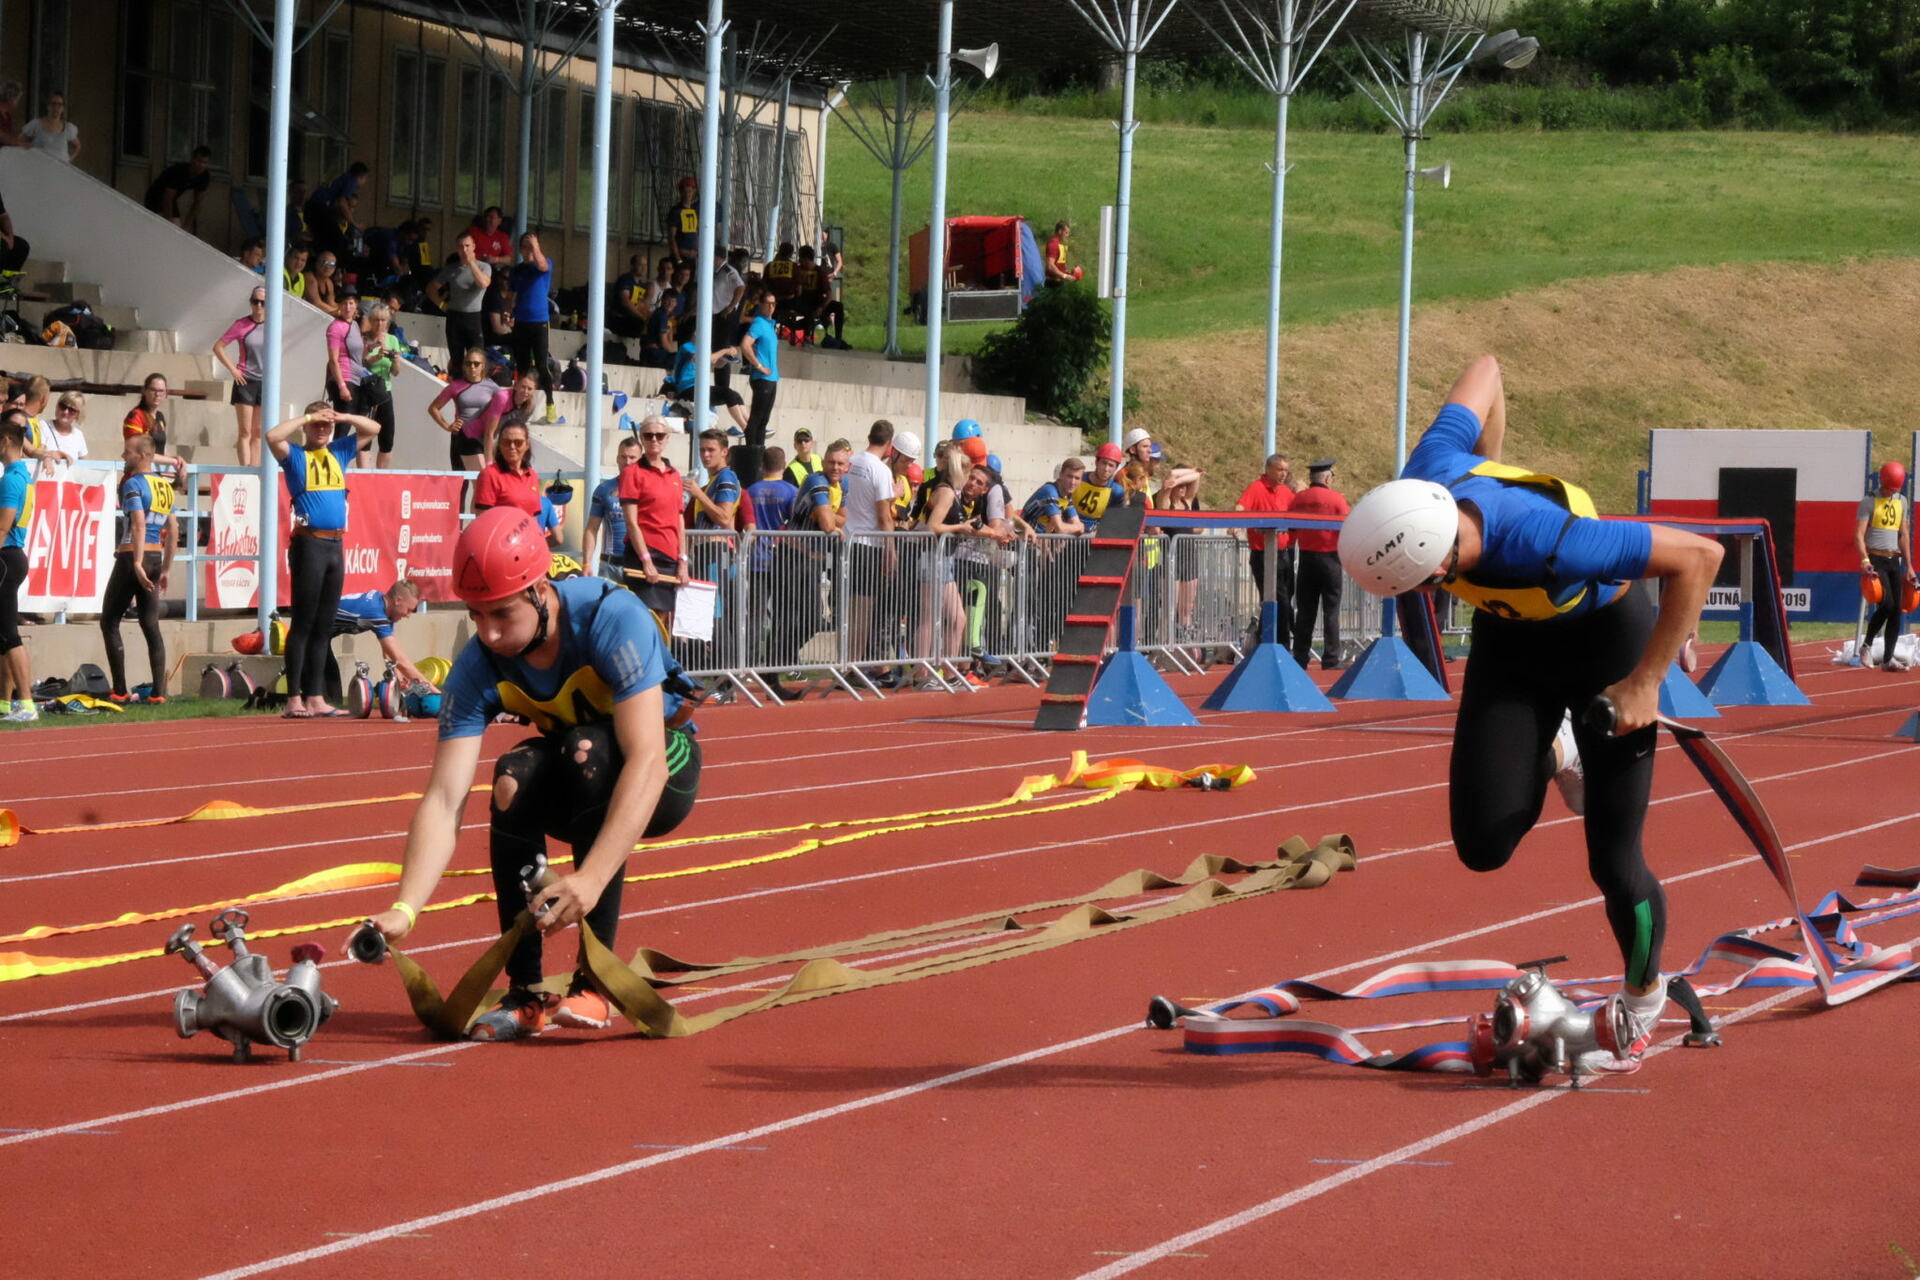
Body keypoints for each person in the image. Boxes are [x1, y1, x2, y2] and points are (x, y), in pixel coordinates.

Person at [1337, 354, 1725, 1073]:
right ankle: (1560, 751)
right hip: (1513, 645)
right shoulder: (1432, 468)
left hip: (1606, 644)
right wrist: (1495, 461)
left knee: (1614, 858)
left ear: (1440, 569)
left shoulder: (1554, 543)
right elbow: (1485, 369)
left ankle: (1642, 1002)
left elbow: (1700, 555)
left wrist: (1646, 682)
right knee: (1482, 843)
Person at [343, 506, 702, 1040]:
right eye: (475, 615)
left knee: (586, 747)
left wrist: (592, 879)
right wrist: (405, 909)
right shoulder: (476, 666)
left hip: (662, 772)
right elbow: (444, 798)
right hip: (584, 780)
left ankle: (594, 983)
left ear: (539, 590)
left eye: (502, 614)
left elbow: (646, 759)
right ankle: (527, 992)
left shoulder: (611, 617)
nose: (487, 634)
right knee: (511, 775)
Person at [268, 404, 382, 718]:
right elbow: (271, 435)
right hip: (310, 543)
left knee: (323, 625)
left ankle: (316, 696)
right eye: (317, 425)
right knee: (303, 624)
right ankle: (294, 698)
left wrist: (342, 417)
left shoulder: (339, 451)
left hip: (335, 544)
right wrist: (308, 417)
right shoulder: (295, 456)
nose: (322, 429)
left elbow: (374, 429)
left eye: (325, 425)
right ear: (307, 427)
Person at [100, 433, 175, 702]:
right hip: (156, 557)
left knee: (109, 621)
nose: (123, 456)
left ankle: (119, 690)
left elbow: (139, 524)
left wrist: (136, 562)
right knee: (150, 623)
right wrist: (166, 568)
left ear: (142, 455)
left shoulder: (134, 484)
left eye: (128, 452)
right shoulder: (165, 485)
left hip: (136, 555)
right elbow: (173, 527)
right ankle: (159, 693)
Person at [618, 416, 689, 621]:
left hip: (669, 556)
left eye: (659, 435)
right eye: (649, 436)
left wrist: (682, 560)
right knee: (643, 618)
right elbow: (632, 521)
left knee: (665, 620)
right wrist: (646, 560)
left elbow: (679, 519)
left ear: (667, 438)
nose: (654, 440)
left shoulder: (674, 475)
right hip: (645, 553)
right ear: (641, 438)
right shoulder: (633, 472)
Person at [843, 420, 898, 666]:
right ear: (889, 445)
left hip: (848, 540)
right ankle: (852, 664)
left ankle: (848, 662)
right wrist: (891, 549)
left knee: (851, 607)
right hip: (868, 544)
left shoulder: (851, 462)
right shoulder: (881, 470)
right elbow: (884, 516)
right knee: (863, 609)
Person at [1856, 460, 1917, 671]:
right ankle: (1866, 646)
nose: (1892, 492)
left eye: (1895, 489)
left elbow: (1904, 535)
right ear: (1882, 482)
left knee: (1896, 610)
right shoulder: (1869, 501)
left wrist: (1909, 566)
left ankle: (1889, 658)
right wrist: (1864, 560)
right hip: (1876, 559)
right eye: (1889, 488)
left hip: (1894, 560)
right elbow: (1859, 534)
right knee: (1887, 604)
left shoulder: (1902, 501)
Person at [1289, 458, 1350, 670]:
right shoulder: (1336, 499)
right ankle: (1331, 657)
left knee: (1305, 611)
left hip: (1306, 558)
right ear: (1327, 477)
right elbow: (1347, 526)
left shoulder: (1299, 499)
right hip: (1330, 558)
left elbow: (1291, 528)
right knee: (1331, 610)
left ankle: (1300, 656)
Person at [1236, 453, 1296, 641]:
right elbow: (1241, 506)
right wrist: (1234, 523)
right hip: (1263, 555)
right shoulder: (1256, 488)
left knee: (1282, 598)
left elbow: (1296, 512)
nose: (1283, 474)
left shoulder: (1286, 492)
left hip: (1284, 553)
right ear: (1269, 469)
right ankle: (1283, 643)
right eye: (1279, 470)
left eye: (1285, 470)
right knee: (1279, 600)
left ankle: (1264, 638)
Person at [0, 412, 36, 721]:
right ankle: (5, 703)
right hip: (12, 556)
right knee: (2, 636)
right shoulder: (24, 474)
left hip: (6, 557)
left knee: (9, 635)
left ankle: (26, 703)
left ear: (7, 441)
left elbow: (3, 526)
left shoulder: (12, 478)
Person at [212, 286, 271, 467]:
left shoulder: (272, 325)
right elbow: (218, 347)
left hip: (265, 381)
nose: (259, 306)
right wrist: (234, 370)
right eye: (255, 301)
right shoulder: (241, 324)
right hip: (246, 380)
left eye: (263, 302)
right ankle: (245, 470)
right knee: (245, 431)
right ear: (250, 303)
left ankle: (255, 470)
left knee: (258, 431)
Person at [428, 349, 508, 474]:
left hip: (483, 438)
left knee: (483, 482)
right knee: (460, 483)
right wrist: (448, 426)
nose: (472, 367)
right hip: (461, 436)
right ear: (464, 366)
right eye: (468, 363)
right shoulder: (455, 386)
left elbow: (504, 406)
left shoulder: (492, 386)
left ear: (483, 366)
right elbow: (433, 408)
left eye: (476, 364)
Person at [663, 316, 749, 432]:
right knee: (727, 393)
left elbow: (716, 364)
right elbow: (700, 359)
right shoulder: (687, 346)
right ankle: (746, 428)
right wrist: (724, 351)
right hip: (687, 390)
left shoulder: (705, 349)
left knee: (735, 395)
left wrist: (726, 358)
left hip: (699, 388)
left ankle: (750, 425)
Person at [507, 232, 558, 423]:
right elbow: (511, 294)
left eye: (531, 247)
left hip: (539, 321)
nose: (528, 251)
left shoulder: (545, 264)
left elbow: (542, 265)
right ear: (520, 250)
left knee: (542, 365)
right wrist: (507, 311)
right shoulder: (518, 270)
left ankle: (550, 404)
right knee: (522, 366)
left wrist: (535, 245)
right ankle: (521, 405)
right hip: (521, 321)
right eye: (525, 247)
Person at [427, 230, 491, 362]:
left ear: (473, 246)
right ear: (457, 248)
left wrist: (471, 262)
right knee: (456, 358)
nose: (464, 249)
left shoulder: (484, 267)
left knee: (476, 357)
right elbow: (431, 288)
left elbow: (483, 283)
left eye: (467, 246)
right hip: (454, 316)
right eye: (461, 246)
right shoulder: (452, 268)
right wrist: (442, 304)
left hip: (473, 316)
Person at [583, 436, 641, 581]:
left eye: (632, 457)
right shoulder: (603, 489)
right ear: (617, 459)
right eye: (623, 457)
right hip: (609, 566)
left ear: (640, 460)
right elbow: (591, 528)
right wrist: (586, 563)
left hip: (637, 565)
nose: (627, 462)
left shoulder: (648, 490)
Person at [738, 288, 781, 484]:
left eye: (773, 304)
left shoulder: (769, 325)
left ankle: (759, 454)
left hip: (772, 378)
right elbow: (745, 344)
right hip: (762, 377)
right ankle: (752, 456)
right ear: (761, 305)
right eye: (768, 303)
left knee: (763, 419)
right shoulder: (759, 323)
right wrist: (757, 365)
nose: (771, 307)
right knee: (755, 419)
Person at [359, 302, 406, 468]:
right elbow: (360, 364)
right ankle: (364, 477)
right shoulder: (363, 339)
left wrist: (395, 359)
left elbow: (396, 372)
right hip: (366, 391)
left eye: (383, 320)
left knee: (387, 437)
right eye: (377, 320)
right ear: (371, 320)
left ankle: (381, 475)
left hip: (385, 391)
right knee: (365, 436)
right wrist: (374, 356)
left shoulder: (393, 340)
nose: (380, 324)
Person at [473, 422, 542, 518]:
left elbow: (534, 518)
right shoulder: (489, 474)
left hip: (529, 533)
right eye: (506, 442)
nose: (512, 447)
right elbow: (483, 518)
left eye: (518, 442)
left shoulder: (532, 475)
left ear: (527, 445)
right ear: (500, 445)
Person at [143, 146, 212, 229]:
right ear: (192, 159)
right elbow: (167, 198)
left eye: (204, 163)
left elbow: (197, 202)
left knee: (177, 229)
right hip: (154, 197)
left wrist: (186, 226)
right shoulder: (179, 171)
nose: (201, 165)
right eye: (199, 161)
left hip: (172, 201)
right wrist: (168, 223)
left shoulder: (204, 176)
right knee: (163, 227)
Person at [1068, 442, 1128, 534]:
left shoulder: (1116, 491)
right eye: (1104, 463)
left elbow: (1117, 520)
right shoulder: (1078, 479)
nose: (1106, 469)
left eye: (1111, 465)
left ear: (1116, 468)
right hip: (1070, 532)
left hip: (1095, 537)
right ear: (1096, 462)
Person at [38, 392, 88, 481]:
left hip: (68, 488)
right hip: (45, 485)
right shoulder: (43, 426)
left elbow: (86, 466)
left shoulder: (78, 435)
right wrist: (52, 454)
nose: (66, 412)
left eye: (72, 410)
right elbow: (37, 453)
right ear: (57, 406)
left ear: (78, 414)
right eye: (63, 406)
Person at [22, 91, 79, 164]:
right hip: (39, 166)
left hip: (60, 169)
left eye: (59, 105)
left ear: (63, 108)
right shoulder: (36, 124)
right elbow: (20, 141)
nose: (56, 108)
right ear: (48, 106)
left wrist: (68, 160)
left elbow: (77, 146)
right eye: (53, 104)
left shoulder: (68, 128)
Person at [610, 252, 651, 339]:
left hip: (633, 320)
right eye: (640, 265)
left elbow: (642, 305)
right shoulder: (626, 279)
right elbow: (625, 302)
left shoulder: (642, 284)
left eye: (645, 265)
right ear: (632, 266)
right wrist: (642, 318)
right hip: (621, 319)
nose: (644, 268)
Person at [667, 177, 700, 264]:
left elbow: (697, 232)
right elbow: (671, 237)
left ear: (694, 192)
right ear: (680, 192)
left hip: (693, 257)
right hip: (681, 255)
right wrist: (678, 258)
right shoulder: (675, 211)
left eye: (690, 191)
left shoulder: (695, 211)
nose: (687, 194)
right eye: (684, 192)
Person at [305, 250, 344, 319]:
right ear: (317, 263)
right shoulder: (309, 277)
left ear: (335, 268)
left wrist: (347, 308)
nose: (328, 267)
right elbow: (317, 304)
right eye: (325, 262)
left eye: (331, 264)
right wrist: (341, 312)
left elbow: (331, 303)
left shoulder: (329, 282)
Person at [1044, 221, 1079, 286]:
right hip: (1052, 283)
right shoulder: (1053, 244)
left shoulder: (1060, 244)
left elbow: (1058, 265)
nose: (1067, 235)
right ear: (1060, 231)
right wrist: (1065, 276)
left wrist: (1067, 272)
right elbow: (1050, 266)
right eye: (1066, 233)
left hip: (1059, 282)